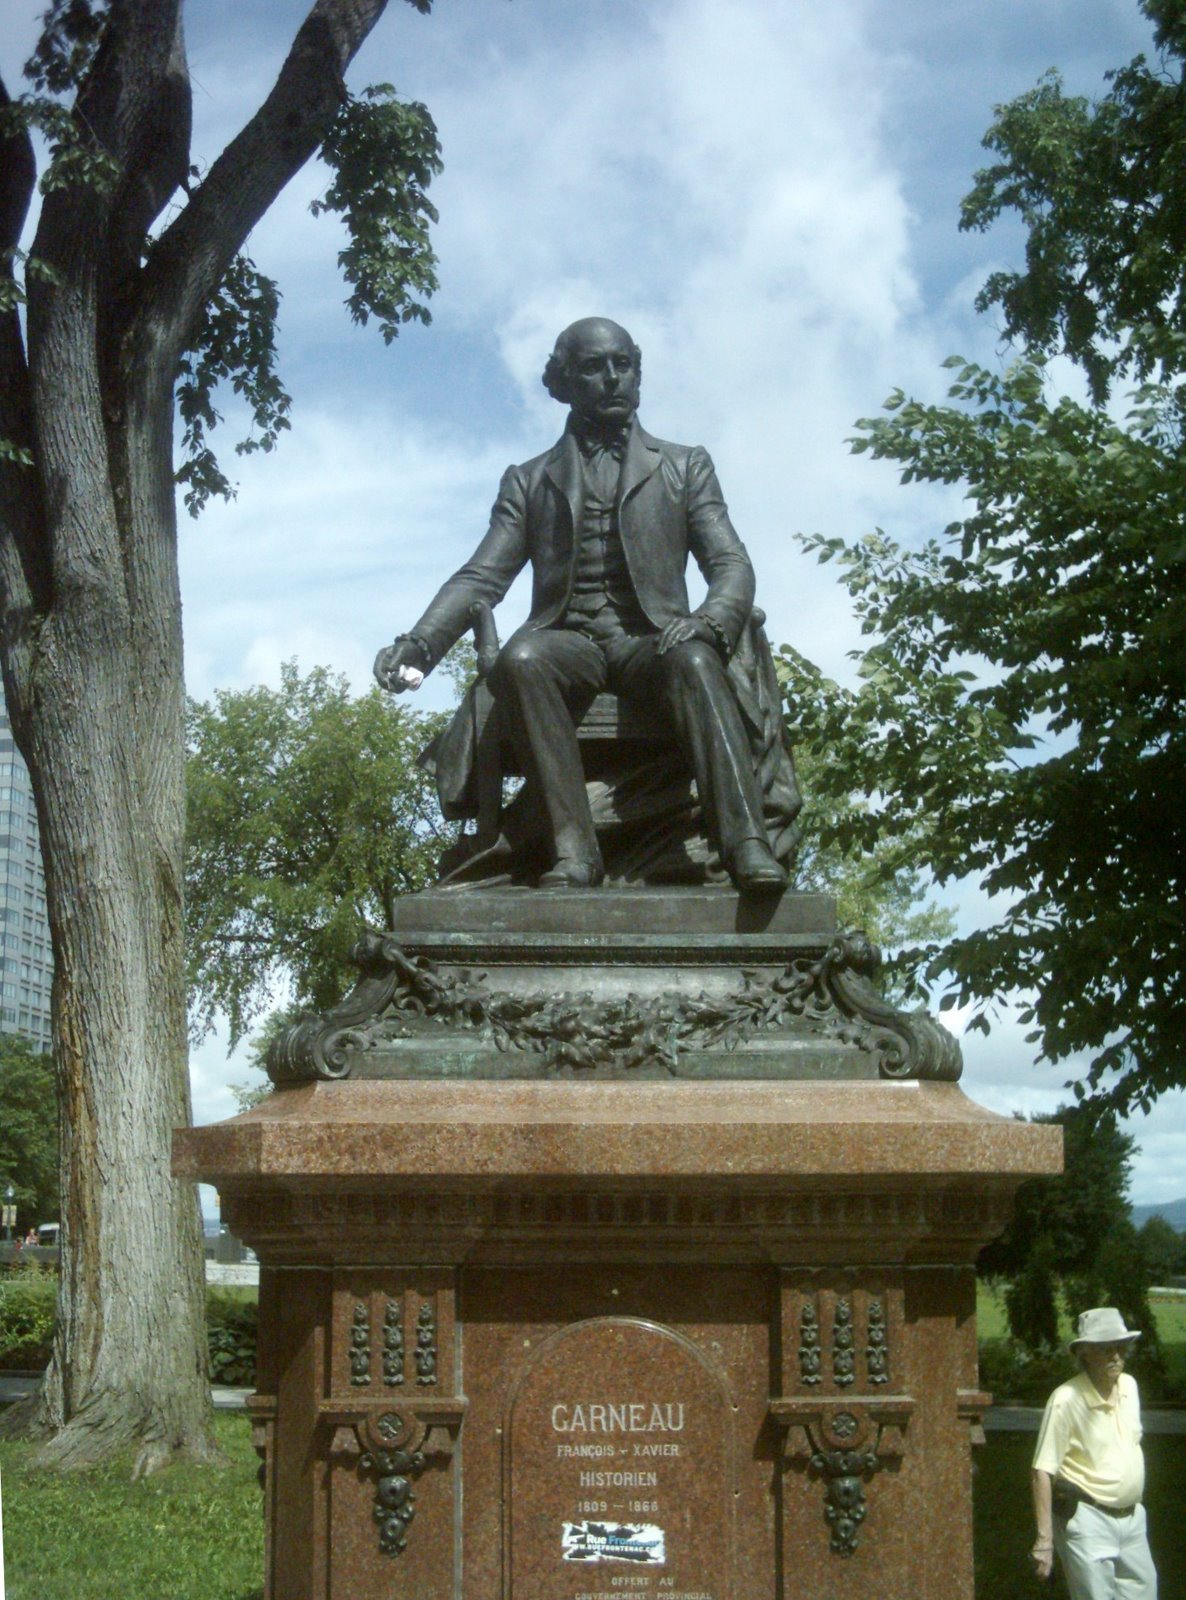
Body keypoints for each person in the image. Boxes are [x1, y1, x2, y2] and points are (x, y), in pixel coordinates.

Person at [374, 317, 789, 893]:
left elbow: (731, 565)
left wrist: (709, 621)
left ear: (637, 374)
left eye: (624, 365)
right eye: (594, 367)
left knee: (695, 660)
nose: (613, 378)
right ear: (564, 383)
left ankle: (745, 845)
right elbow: (481, 576)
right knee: (523, 659)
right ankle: (574, 851)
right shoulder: (529, 480)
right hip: (571, 644)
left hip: (653, 642)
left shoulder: (685, 464)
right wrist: (419, 643)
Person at [1030, 1306, 1158, 1598]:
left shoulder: (1129, 1386)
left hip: (1133, 1520)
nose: (1116, 1355)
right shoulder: (1066, 1399)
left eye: (1121, 1346)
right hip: (1088, 1521)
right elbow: (1042, 1471)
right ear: (1084, 1353)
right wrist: (1044, 1542)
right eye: (1106, 1348)